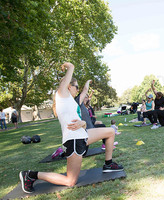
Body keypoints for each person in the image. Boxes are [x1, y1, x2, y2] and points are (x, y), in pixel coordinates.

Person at [19, 62, 123, 194]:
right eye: (76, 87)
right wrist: (71, 66)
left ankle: (108, 164)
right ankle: (31, 175)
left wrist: (83, 123)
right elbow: (67, 79)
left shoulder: (72, 103)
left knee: (110, 131)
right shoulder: (62, 95)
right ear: (68, 86)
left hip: (83, 135)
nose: (78, 90)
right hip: (73, 140)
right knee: (70, 181)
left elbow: (82, 122)